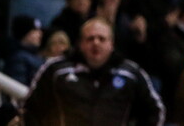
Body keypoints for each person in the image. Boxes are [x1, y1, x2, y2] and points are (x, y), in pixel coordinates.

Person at [23, 17, 165, 126]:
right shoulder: (56, 70)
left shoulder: (130, 73)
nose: (96, 43)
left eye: (102, 39)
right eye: (90, 39)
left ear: (111, 44)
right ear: (80, 44)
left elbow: (155, 111)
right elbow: (30, 109)